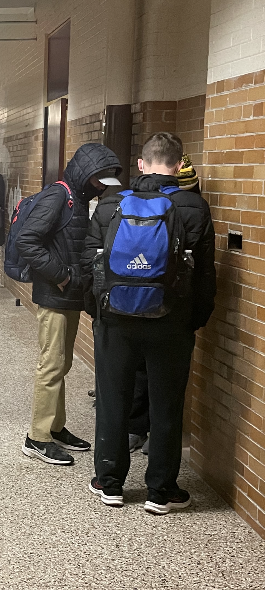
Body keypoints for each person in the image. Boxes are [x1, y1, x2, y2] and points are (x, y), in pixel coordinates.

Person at [84, 133, 216, 513]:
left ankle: (109, 483)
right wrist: (194, 320)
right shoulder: (195, 206)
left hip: (115, 320)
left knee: (113, 399)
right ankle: (161, 490)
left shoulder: (110, 205)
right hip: (171, 323)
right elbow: (206, 274)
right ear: (178, 166)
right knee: (167, 404)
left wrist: (100, 314)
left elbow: (87, 267)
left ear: (141, 165)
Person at [17, 143, 122, 466]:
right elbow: (27, 241)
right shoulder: (58, 196)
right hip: (55, 295)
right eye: (99, 179)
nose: (103, 186)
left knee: (62, 364)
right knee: (51, 364)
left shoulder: (79, 200)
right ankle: (37, 436)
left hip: (69, 296)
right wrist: (61, 276)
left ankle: (56, 426)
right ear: (86, 174)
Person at [127, 153, 202, 457]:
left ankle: (134, 430)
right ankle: (157, 442)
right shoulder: (193, 207)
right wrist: (198, 312)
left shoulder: (126, 200)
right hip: (173, 305)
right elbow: (201, 267)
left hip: (131, 302)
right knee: (167, 382)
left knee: (138, 370)